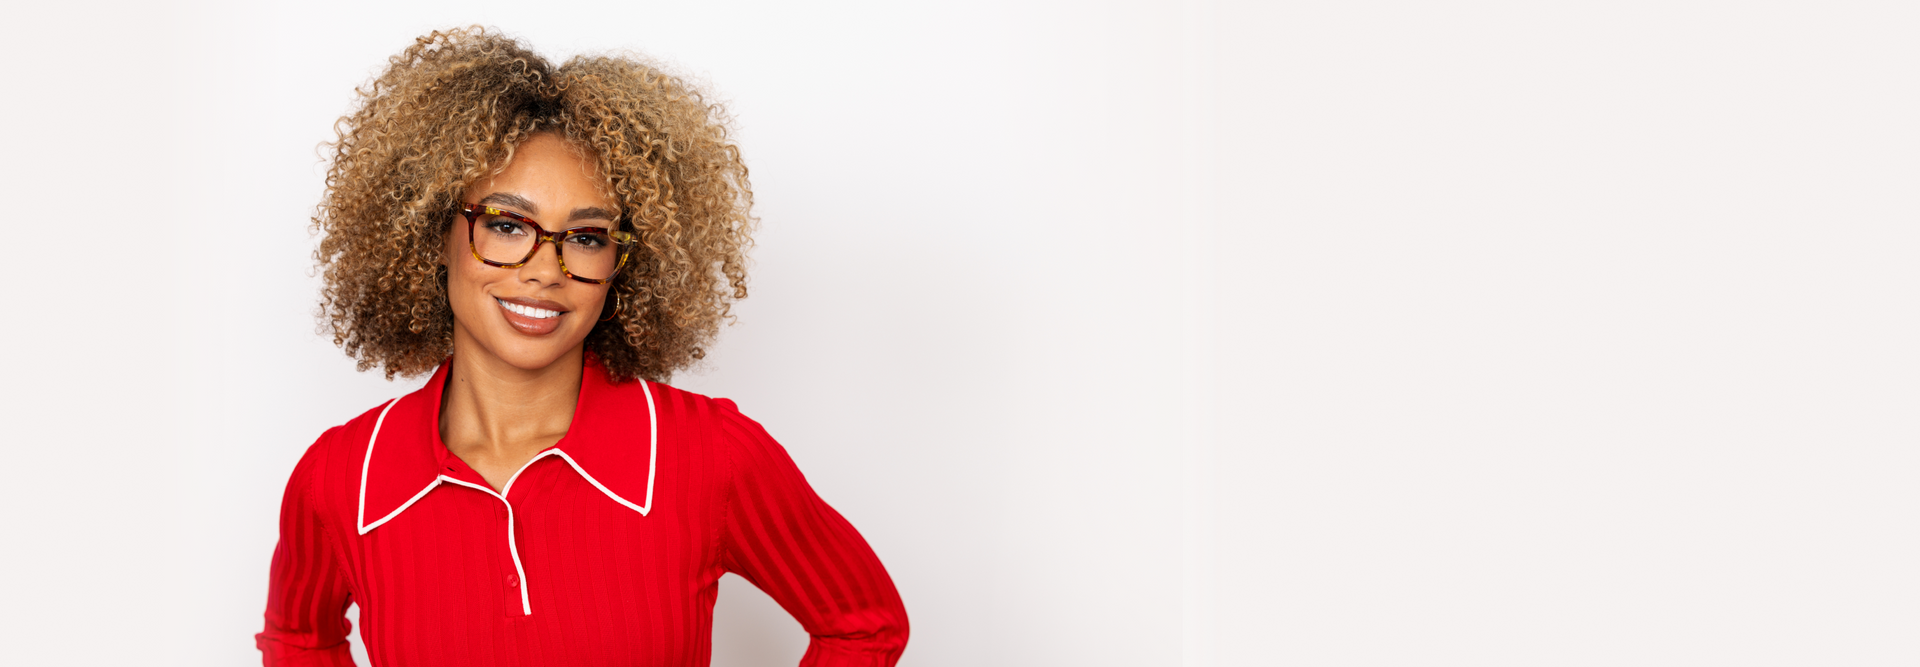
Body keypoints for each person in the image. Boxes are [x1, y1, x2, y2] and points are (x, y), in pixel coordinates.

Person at [255, 27, 908, 666]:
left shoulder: (711, 455)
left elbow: (863, 627)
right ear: (433, 235)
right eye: (507, 225)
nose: (547, 269)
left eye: (588, 237)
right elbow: (300, 640)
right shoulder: (342, 478)